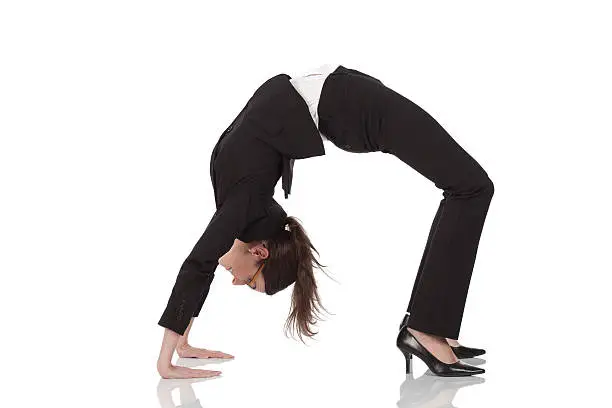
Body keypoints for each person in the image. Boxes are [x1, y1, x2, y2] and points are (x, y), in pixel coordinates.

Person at [157, 64, 493, 379]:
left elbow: (199, 264)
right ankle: (427, 327)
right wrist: (179, 346)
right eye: (246, 283)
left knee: (470, 187)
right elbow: (201, 265)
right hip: (348, 103)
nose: (234, 281)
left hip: (348, 104)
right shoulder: (247, 208)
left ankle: (427, 327)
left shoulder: (241, 205)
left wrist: (168, 360)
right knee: (469, 187)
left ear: (260, 253)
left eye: (249, 283)